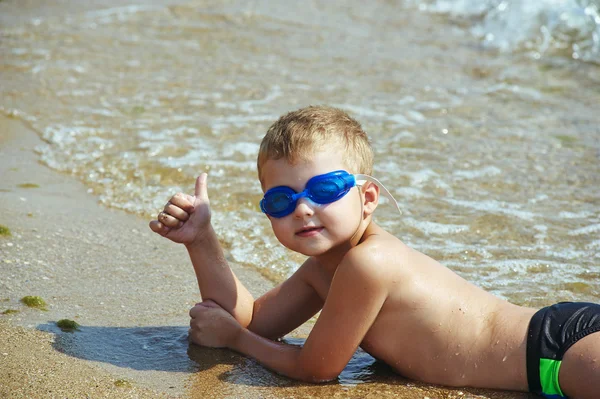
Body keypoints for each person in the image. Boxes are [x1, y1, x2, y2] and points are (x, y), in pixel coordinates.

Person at [149, 105, 600, 399]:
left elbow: (316, 367)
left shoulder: (371, 262)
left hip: (557, 352)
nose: (303, 208)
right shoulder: (322, 271)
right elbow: (253, 318)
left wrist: (235, 341)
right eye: (282, 201)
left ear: (367, 199)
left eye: (324, 189)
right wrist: (202, 241)